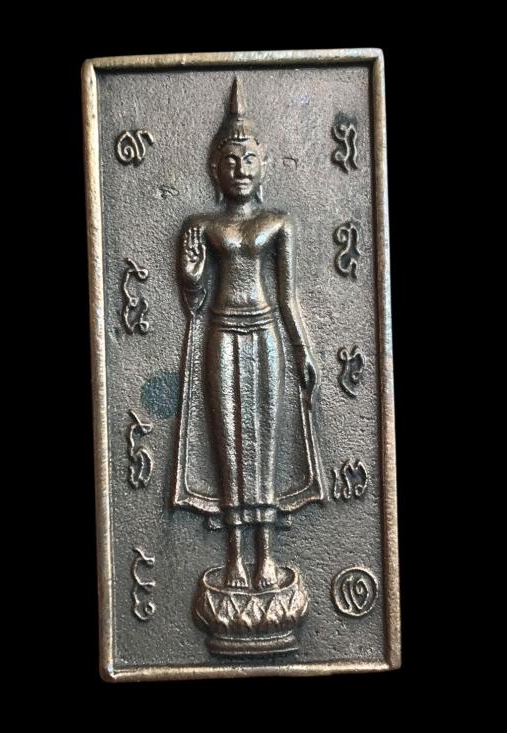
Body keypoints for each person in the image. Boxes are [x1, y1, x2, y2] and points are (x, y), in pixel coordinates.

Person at [173, 79, 324, 590]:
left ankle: (267, 556)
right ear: (215, 168)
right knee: (230, 439)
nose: (240, 169)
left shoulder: (277, 223)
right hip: (222, 331)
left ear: (264, 165)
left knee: (265, 439)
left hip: (265, 333)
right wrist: (191, 273)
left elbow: (288, 297)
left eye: (249, 159)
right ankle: (235, 557)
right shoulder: (203, 225)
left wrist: (301, 349)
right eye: (231, 161)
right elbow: (193, 301)